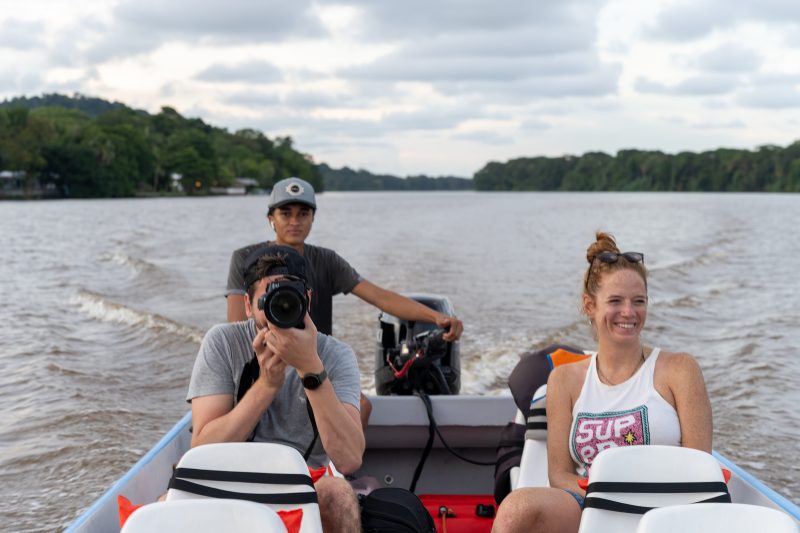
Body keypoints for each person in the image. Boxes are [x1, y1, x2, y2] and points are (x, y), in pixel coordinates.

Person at [492, 231, 712, 533]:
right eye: (615, 301)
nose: (629, 312)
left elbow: (701, 470)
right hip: (593, 505)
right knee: (515, 512)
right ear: (589, 305)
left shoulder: (680, 370)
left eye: (639, 301)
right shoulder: (564, 381)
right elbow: (560, 475)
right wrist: (607, 499)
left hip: (665, 508)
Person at [225, 176, 465, 424]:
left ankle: (335, 452)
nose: (295, 221)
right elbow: (235, 326)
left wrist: (437, 317)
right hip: (263, 357)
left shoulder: (326, 261)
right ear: (271, 219)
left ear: (313, 218)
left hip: (314, 359)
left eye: (303, 214)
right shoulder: (245, 259)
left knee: (362, 405)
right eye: (286, 214)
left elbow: (380, 297)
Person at [188, 245, 364, 532]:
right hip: (232, 477)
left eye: (289, 296)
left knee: (338, 495)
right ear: (248, 305)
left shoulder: (334, 355)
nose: (280, 306)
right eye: (269, 297)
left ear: (307, 299)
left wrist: (310, 368)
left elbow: (349, 459)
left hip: (305, 481)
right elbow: (202, 452)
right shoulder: (224, 342)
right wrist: (267, 385)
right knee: (167, 503)